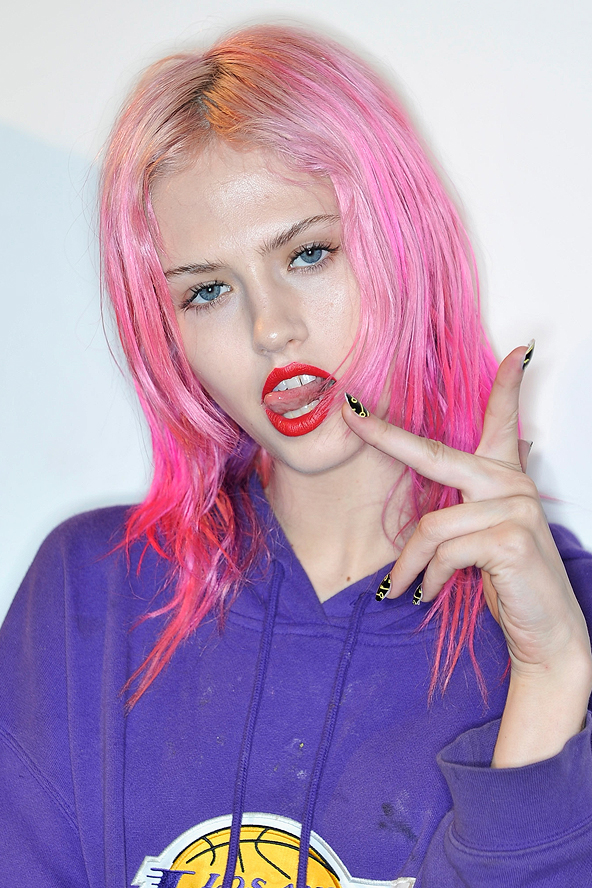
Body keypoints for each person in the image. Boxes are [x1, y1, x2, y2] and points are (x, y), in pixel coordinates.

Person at [1, 23, 592, 888]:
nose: (271, 328)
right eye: (208, 290)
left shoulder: (564, 618)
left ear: (407, 244)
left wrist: (551, 679)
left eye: (309, 253)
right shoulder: (93, 593)